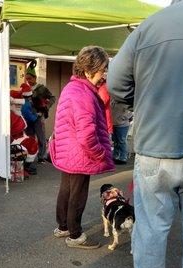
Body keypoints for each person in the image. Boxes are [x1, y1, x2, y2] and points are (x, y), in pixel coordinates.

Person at [108, 0, 183, 268]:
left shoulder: (149, 26)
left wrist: (144, 101)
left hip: (155, 143)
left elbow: (115, 84)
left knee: (151, 224)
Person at [50, 46, 115, 249]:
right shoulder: (84, 94)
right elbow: (87, 135)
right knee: (77, 194)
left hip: (68, 151)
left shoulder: (72, 88)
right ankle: (76, 235)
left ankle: (63, 227)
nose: (104, 74)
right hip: (80, 153)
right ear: (88, 71)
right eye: (102, 69)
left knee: (67, 190)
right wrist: (100, 154)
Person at [25, 60, 56, 163]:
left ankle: (41, 157)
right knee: (30, 137)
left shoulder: (41, 88)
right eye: (27, 79)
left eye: (30, 78)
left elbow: (52, 98)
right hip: (29, 117)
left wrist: (45, 108)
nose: (28, 81)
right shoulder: (26, 89)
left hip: (39, 116)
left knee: (41, 137)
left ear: (35, 78)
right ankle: (31, 155)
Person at [110, 99, 132, 164]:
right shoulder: (112, 100)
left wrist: (123, 118)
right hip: (114, 124)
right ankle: (115, 156)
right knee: (115, 141)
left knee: (122, 141)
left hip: (122, 125)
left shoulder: (125, 101)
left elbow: (130, 112)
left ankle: (123, 158)